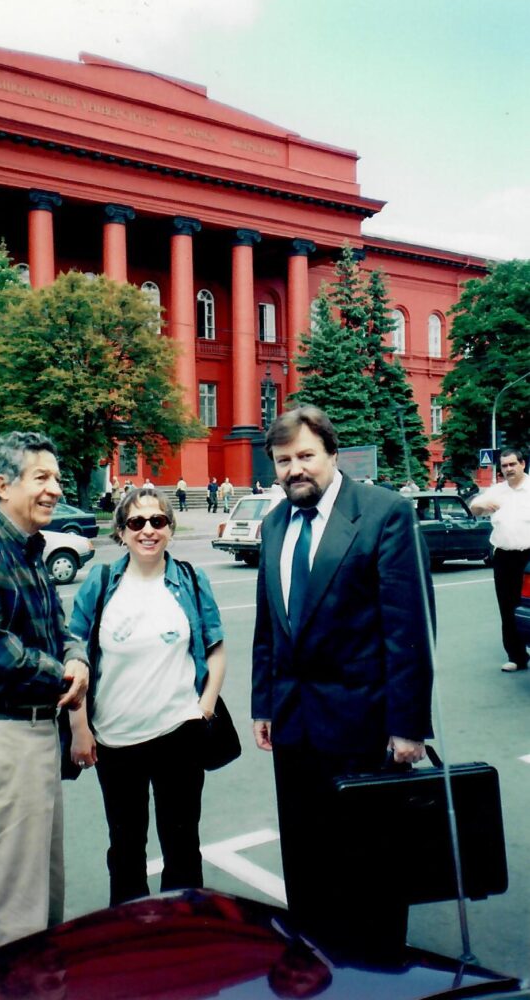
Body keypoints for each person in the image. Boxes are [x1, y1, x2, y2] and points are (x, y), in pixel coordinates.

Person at [251, 406, 434, 962]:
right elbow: (269, 625)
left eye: (305, 456)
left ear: (331, 454)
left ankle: (376, 964)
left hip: (364, 724)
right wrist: (263, 703)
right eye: (284, 461)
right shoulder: (275, 523)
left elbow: (409, 630)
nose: (294, 469)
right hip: (293, 722)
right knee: (306, 850)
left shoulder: (385, 514)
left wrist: (408, 728)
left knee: (371, 857)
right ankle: (315, 955)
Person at [0, 431, 90, 954]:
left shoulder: (27, 549)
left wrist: (75, 658)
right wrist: (64, 675)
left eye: (57, 477)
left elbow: (60, 628)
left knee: (41, 903)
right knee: (13, 916)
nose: (55, 488)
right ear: (3, 485)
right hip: (3, 738)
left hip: (32, 737)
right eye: (41, 478)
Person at [69, 487, 226, 906]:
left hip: (179, 733)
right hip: (114, 740)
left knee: (182, 845)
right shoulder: (101, 584)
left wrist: (204, 707)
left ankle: (182, 932)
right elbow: (74, 657)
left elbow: (215, 647)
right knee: (125, 847)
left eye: (158, 521)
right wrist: (80, 728)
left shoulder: (190, 579)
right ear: (121, 532)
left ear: (170, 528)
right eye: (137, 523)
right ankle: (130, 940)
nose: (148, 531)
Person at [470, 448, 530, 672]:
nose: (508, 469)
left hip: (529, 556)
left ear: (522, 464)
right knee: (507, 607)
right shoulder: (497, 491)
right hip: (504, 556)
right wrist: (480, 506)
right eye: (504, 466)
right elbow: (475, 508)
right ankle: (516, 656)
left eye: (512, 464)